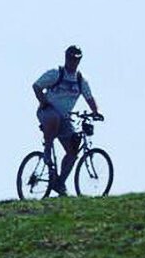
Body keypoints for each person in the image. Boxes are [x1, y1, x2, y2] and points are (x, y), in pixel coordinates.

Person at [33, 45, 103, 196]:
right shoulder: (56, 74)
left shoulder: (80, 80)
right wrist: (44, 102)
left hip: (65, 118)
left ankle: (59, 183)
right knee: (54, 118)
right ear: (66, 57)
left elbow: (89, 98)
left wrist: (96, 112)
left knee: (73, 150)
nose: (73, 61)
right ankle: (47, 152)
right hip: (47, 112)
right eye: (71, 58)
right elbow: (37, 86)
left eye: (76, 59)